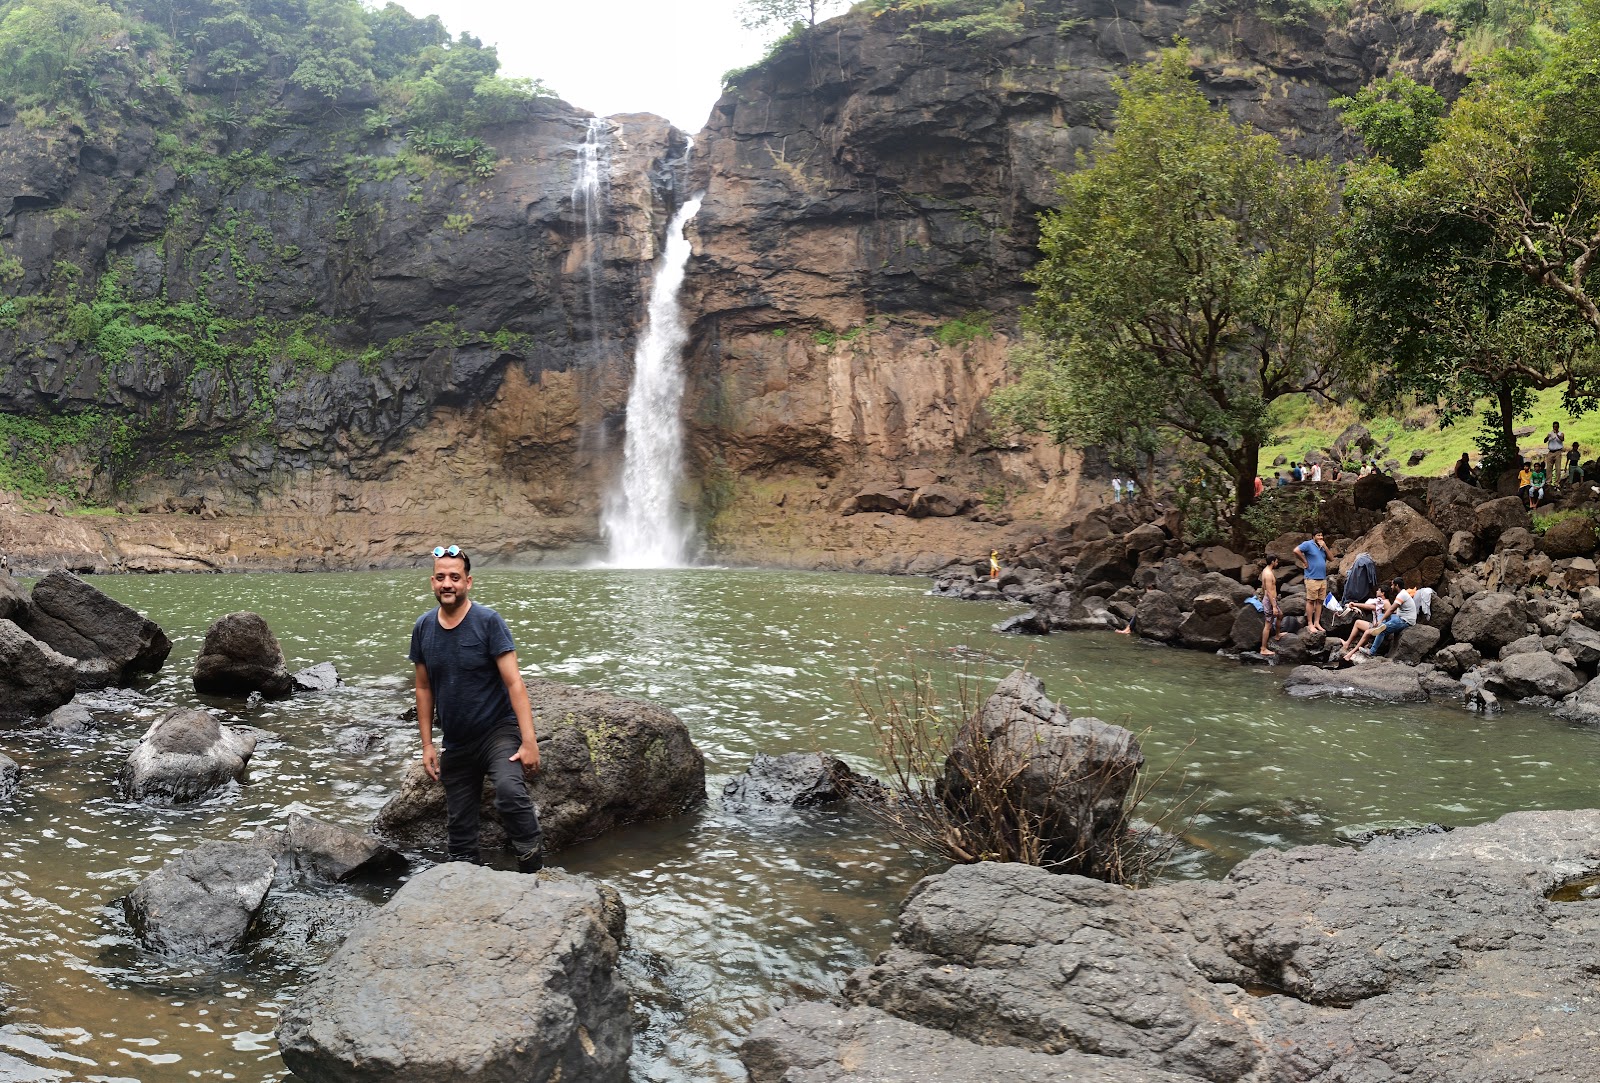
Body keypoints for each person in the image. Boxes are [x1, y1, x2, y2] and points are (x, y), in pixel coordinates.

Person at [410, 545, 544, 872]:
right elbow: (423, 688)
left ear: (468, 582)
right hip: (456, 741)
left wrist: (529, 741)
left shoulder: (488, 622)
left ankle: (534, 871)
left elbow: (514, 683)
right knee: (459, 832)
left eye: (455, 577)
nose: (447, 584)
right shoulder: (423, 627)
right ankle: (465, 880)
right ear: (432, 582)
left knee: (510, 793)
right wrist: (427, 745)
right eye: (441, 577)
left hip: (497, 731)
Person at [1366, 578, 1419, 656]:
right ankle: (1382, 625)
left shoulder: (1402, 595)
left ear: (1396, 585)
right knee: (1383, 615)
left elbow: (1391, 609)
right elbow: (1397, 610)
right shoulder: (1403, 593)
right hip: (1401, 617)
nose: (1391, 587)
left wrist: (1381, 620)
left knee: (1382, 630)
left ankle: (1371, 652)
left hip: (1405, 621)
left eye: (1392, 585)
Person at [1337, 584, 1389, 661]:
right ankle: (1347, 643)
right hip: (1375, 625)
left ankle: (1351, 652)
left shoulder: (1384, 602)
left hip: (1380, 627)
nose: (1376, 591)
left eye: (1378, 590)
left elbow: (1371, 607)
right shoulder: (1380, 602)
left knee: (1367, 632)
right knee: (1358, 622)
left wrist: (1355, 604)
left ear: (1383, 593)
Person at [1294, 531, 1331, 636]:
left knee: (1320, 601)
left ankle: (1317, 623)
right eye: (1318, 535)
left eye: (1321, 535)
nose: (1320, 537)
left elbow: (1332, 558)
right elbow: (1296, 550)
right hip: (1311, 578)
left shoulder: (1322, 547)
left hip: (1322, 578)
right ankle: (1310, 623)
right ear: (1313, 536)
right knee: (1311, 601)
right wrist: (1304, 561)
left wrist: (1325, 547)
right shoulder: (1308, 544)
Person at [1258, 556, 1283, 656]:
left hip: (1271, 600)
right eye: (1276, 561)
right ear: (1272, 562)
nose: (1277, 563)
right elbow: (1268, 591)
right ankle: (1263, 648)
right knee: (1268, 624)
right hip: (1269, 601)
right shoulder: (1268, 574)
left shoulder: (1266, 570)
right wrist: (1274, 606)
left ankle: (1277, 635)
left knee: (1280, 615)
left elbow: (1263, 587)